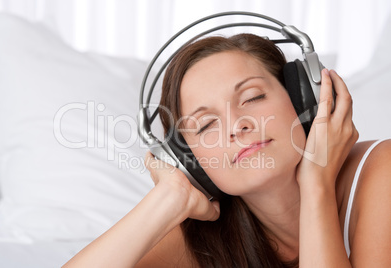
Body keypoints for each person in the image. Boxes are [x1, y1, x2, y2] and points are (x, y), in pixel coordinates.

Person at [63, 33, 391, 267]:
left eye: (252, 98)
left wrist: (316, 182)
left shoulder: (381, 171)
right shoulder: (208, 237)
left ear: (303, 99)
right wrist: (169, 198)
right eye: (205, 125)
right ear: (191, 162)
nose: (236, 126)